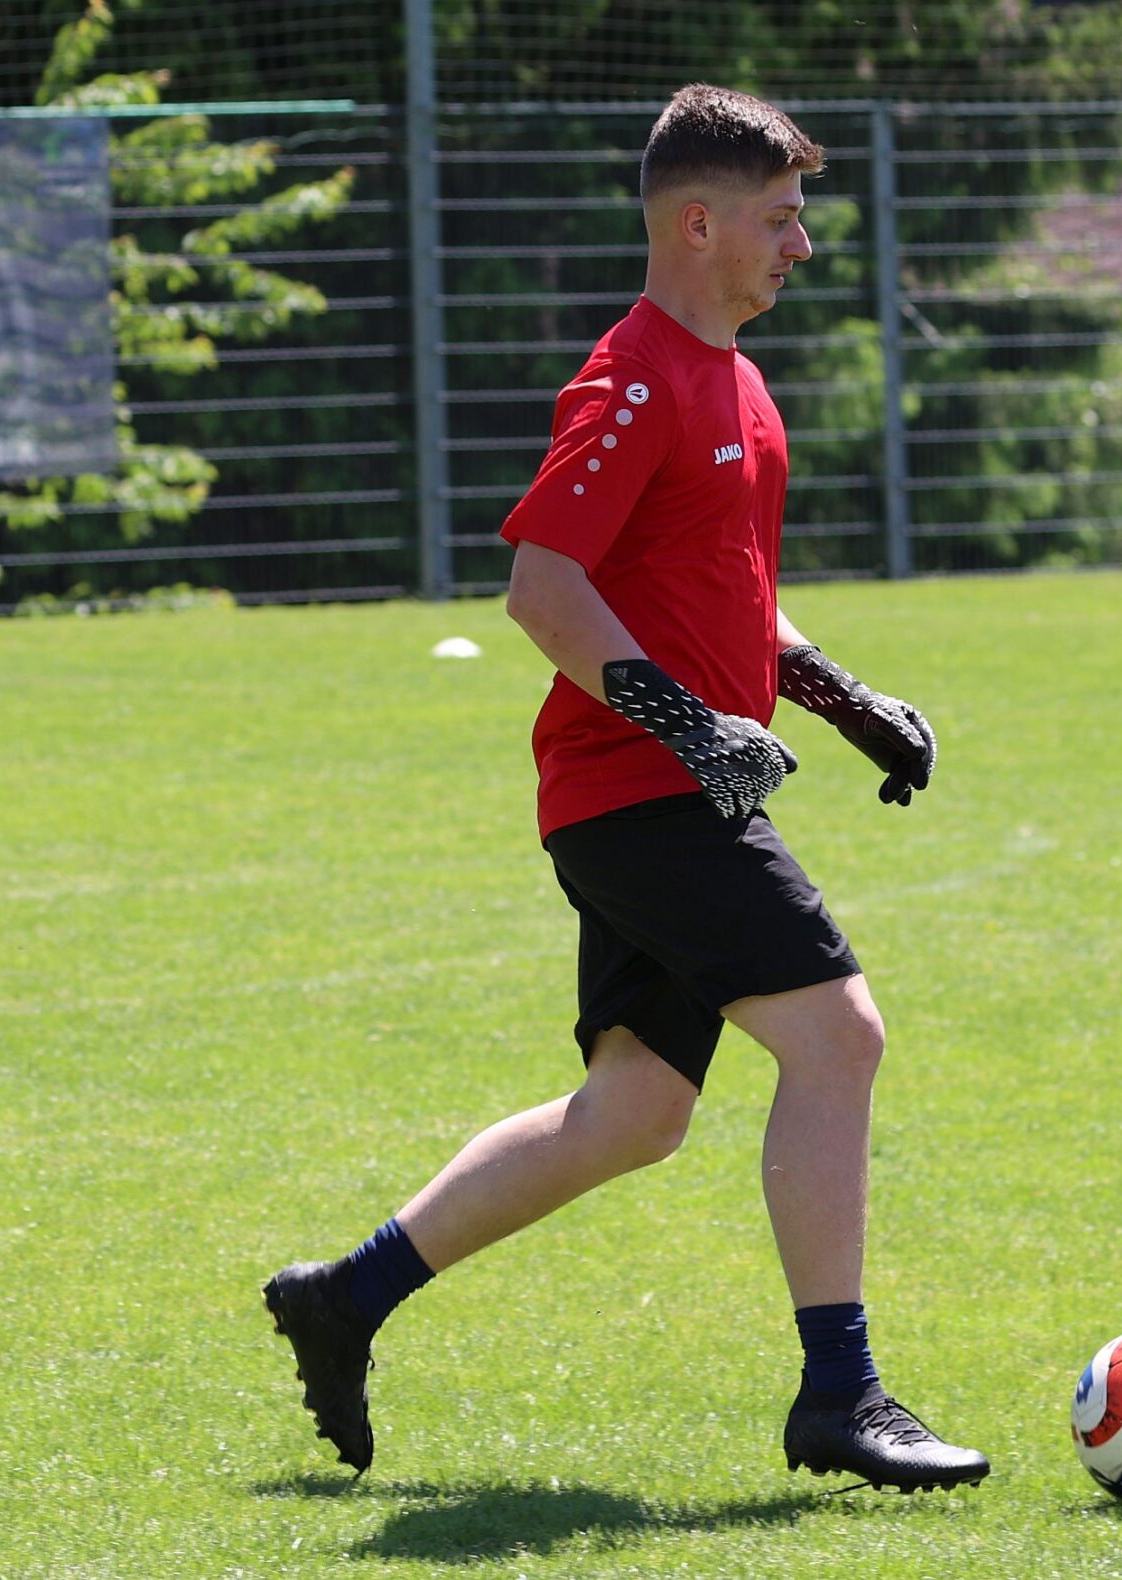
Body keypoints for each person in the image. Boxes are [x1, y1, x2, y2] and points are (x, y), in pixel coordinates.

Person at [260, 84, 989, 1494]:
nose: (803, 245)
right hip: (635, 791)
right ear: (698, 224)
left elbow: (730, 599)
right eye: (781, 219)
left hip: (674, 789)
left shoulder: (740, 381)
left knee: (634, 1113)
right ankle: (840, 1393)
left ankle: (345, 1295)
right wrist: (690, 727)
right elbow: (543, 587)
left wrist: (844, 700)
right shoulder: (635, 376)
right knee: (838, 1037)